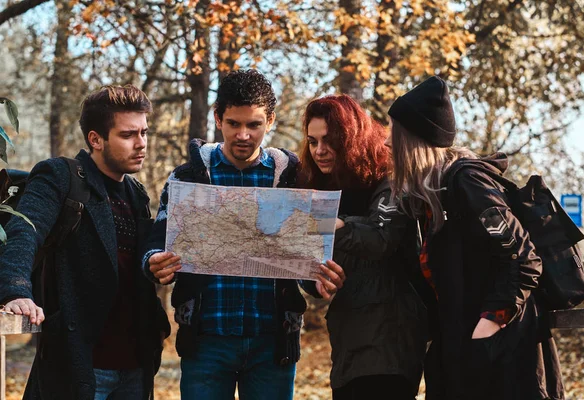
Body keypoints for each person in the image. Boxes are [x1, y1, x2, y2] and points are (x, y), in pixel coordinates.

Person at [141, 68, 345, 400]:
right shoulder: (187, 177)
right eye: (234, 123)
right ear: (218, 118)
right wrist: (153, 262)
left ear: (271, 121)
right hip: (206, 340)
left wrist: (319, 279)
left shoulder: (295, 177)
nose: (244, 135)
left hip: (272, 342)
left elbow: (307, 260)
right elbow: (157, 240)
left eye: (254, 125)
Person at [385, 76, 564, 400]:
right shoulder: (434, 197)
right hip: (466, 362)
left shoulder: (468, 184)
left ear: (413, 140)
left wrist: (486, 329)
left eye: (393, 133)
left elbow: (524, 259)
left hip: (505, 365)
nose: (386, 143)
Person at [0, 85, 171, 400]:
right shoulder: (60, 176)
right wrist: (16, 290)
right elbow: (25, 231)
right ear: (96, 139)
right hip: (80, 364)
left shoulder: (137, 194)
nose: (141, 144)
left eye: (144, 133)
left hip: (135, 368)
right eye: (128, 135)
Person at [298, 94, 428, 400]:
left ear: (351, 137)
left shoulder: (391, 178)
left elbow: (380, 239)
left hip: (391, 342)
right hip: (347, 340)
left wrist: (336, 224)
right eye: (312, 141)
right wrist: (315, 281)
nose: (320, 150)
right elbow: (310, 260)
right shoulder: (322, 186)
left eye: (329, 140)